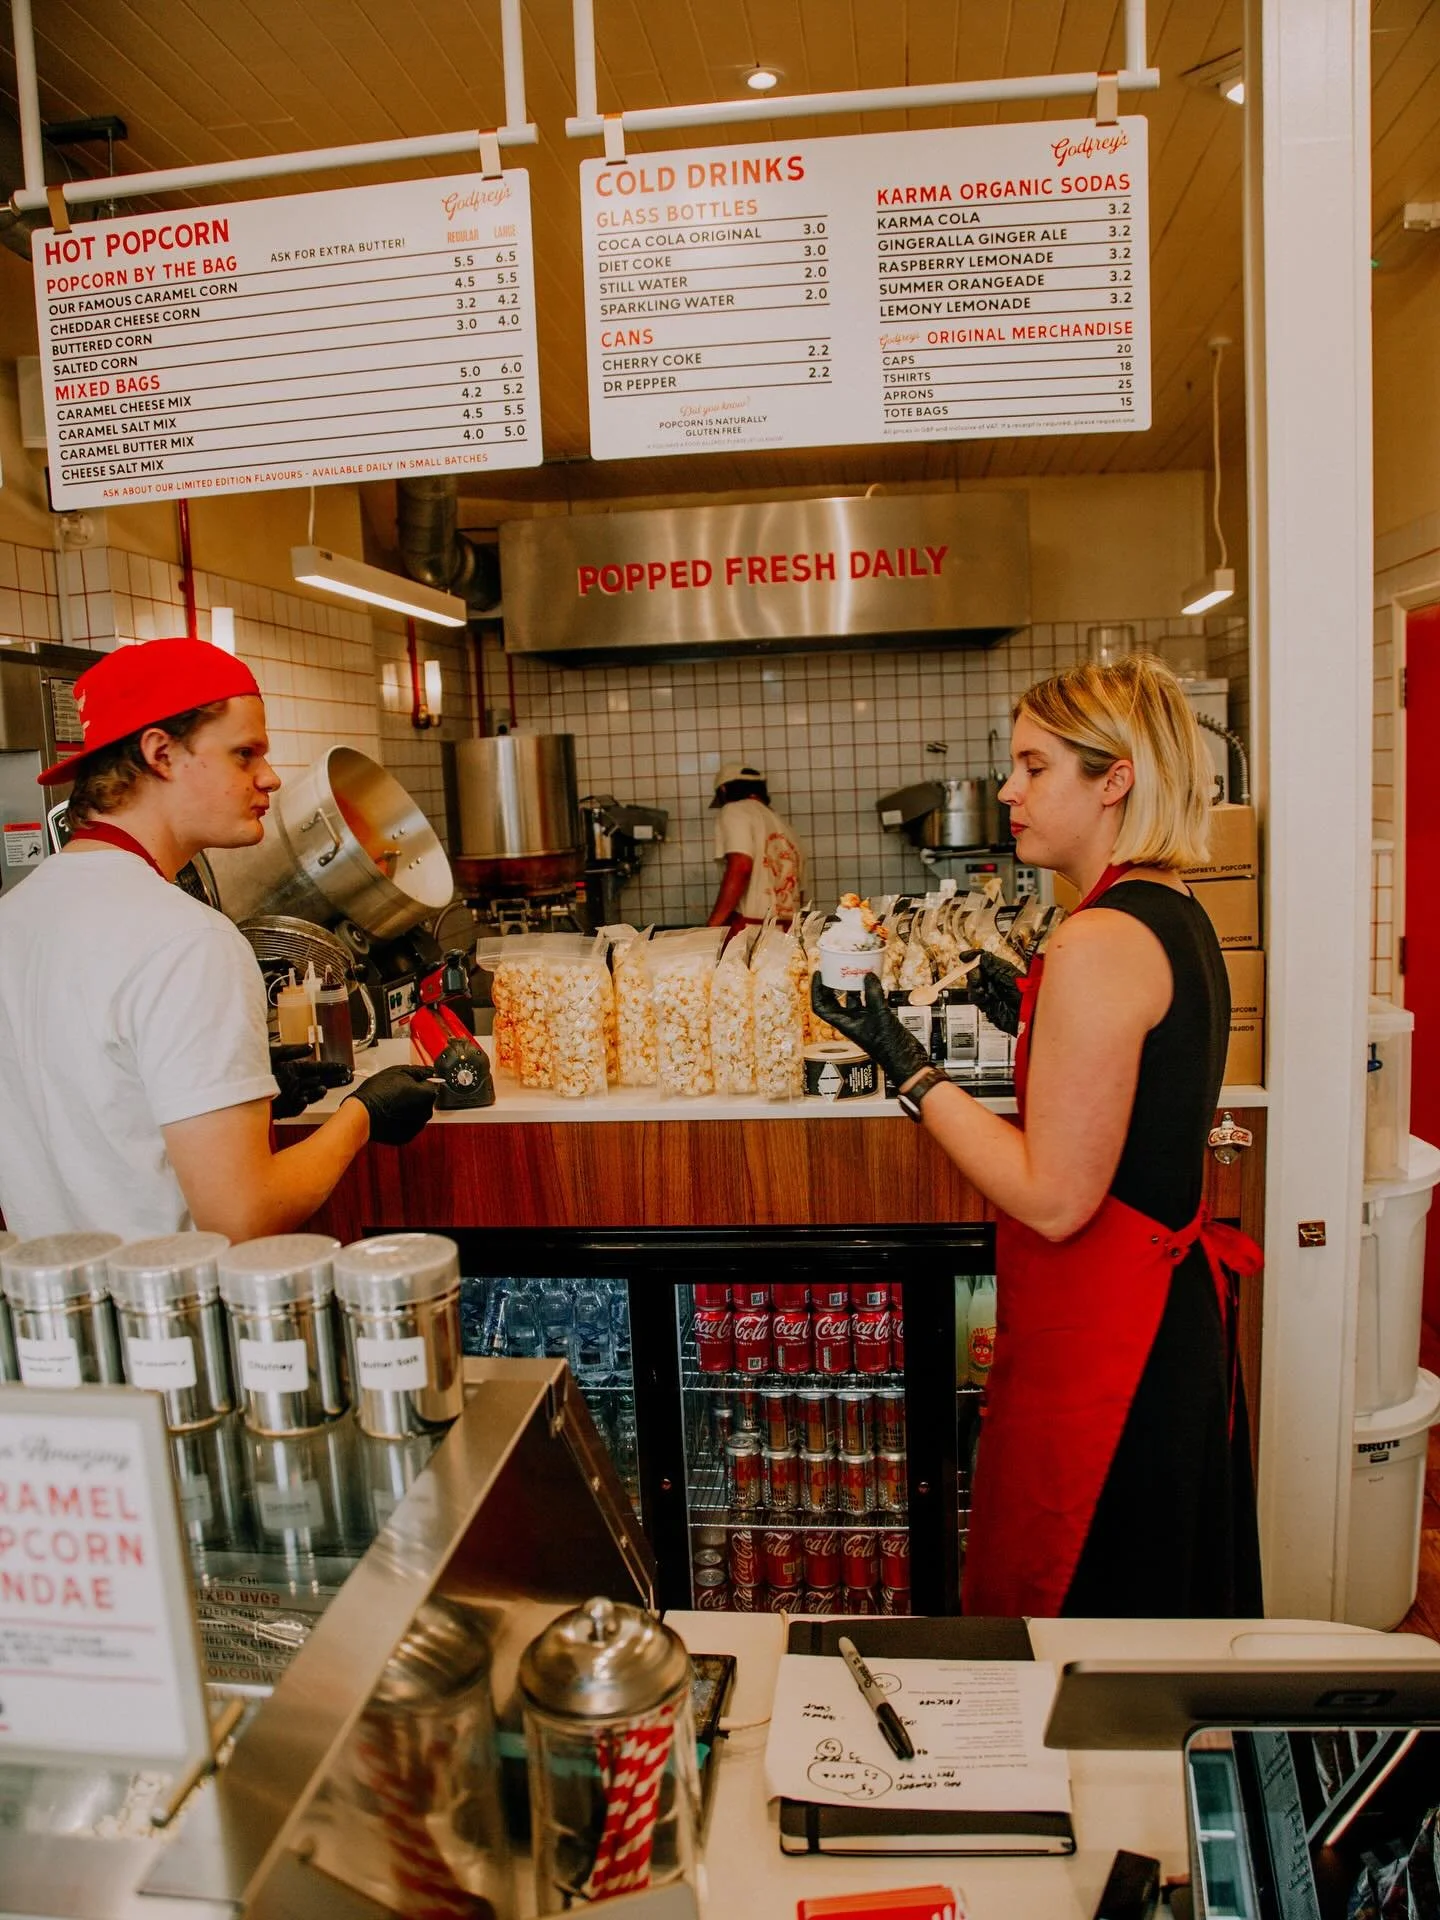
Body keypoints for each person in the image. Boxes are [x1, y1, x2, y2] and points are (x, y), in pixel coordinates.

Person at [814, 655, 1264, 1619]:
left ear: (1115, 779)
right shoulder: (1170, 908)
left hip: (1112, 1348)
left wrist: (899, 1055)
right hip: (1160, 1315)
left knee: (1088, 1626)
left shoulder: (1097, 942)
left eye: (1032, 766)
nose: (1008, 792)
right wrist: (1032, 1018)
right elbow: (1142, 1095)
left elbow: (1056, 1197)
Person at [0, 636, 439, 1245]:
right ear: (161, 753)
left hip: (55, 1323)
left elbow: (95, 1119)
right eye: (243, 754)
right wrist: (363, 1115)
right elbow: (241, 1216)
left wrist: (239, 1105)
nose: (271, 777)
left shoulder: (14, 917)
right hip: (174, 1324)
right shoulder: (188, 941)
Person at [706, 762, 804, 929]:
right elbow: (799, 891)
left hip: (750, 929)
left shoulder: (734, 810)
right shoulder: (785, 827)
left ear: (723, 790)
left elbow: (741, 866)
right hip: (788, 929)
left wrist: (712, 925)